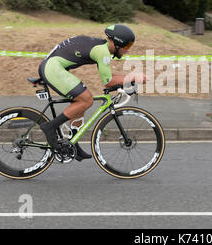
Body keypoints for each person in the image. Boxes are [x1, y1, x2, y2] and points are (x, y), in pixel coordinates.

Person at [38, 24, 146, 161]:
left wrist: (128, 78)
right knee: (86, 99)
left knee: (80, 102)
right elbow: (108, 81)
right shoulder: (103, 51)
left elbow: (109, 76)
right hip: (52, 68)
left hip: (52, 66)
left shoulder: (101, 47)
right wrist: (133, 77)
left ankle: (73, 143)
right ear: (118, 43)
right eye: (127, 46)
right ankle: (50, 126)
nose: (127, 50)